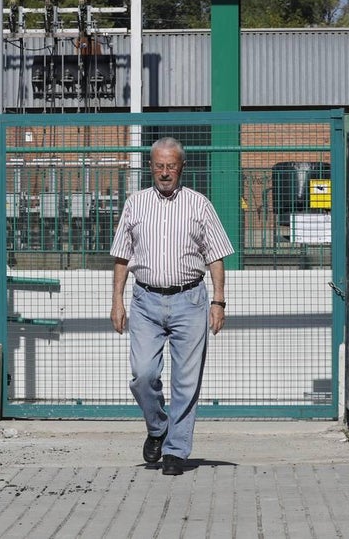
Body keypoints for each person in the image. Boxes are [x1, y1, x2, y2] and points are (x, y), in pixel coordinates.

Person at [109, 137, 234, 475]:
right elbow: (122, 255)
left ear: (182, 167)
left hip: (190, 299)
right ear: (151, 167)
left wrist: (218, 301)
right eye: (159, 166)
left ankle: (176, 451)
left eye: (171, 166)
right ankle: (158, 428)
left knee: (186, 382)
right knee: (143, 374)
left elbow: (216, 255)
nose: (165, 172)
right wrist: (117, 301)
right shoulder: (135, 204)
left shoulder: (200, 205)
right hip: (145, 300)